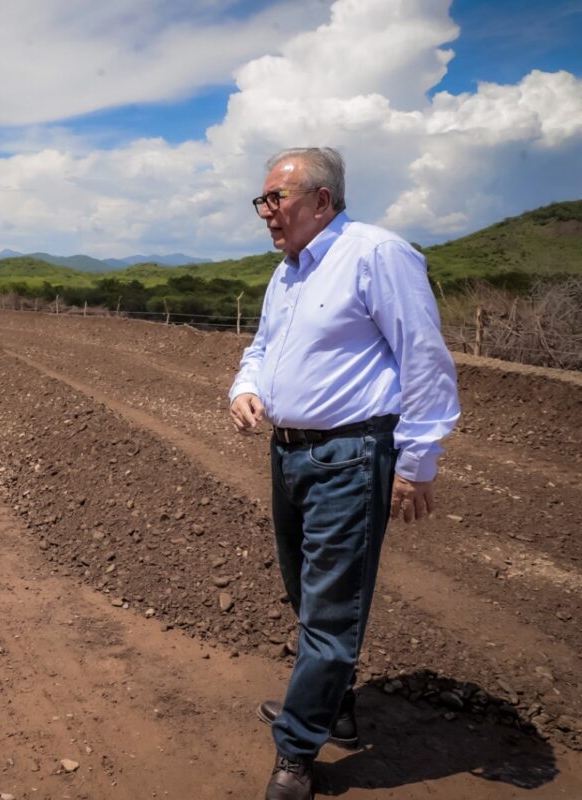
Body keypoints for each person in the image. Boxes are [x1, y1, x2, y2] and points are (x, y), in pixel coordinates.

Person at [228, 147, 459, 800]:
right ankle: (337, 708)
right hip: (290, 453)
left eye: (277, 198)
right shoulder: (288, 273)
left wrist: (417, 463)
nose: (266, 212)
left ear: (322, 200)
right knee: (309, 595)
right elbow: (263, 346)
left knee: (330, 613)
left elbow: (423, 357)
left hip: (351, 456)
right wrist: (244, 388)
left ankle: (296, 753)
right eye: (263, 201)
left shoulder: (378, 255)